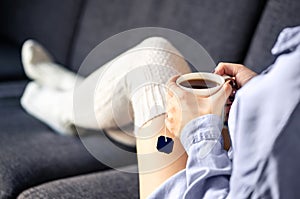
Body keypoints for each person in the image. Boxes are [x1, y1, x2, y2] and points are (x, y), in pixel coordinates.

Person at [20, 26, 300, 199]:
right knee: (150, 77)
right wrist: (258, 92)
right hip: (236, 144)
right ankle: (75, 92)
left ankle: (64, 107)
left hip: (202, 181)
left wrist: (201, 131)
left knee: (152, 60)